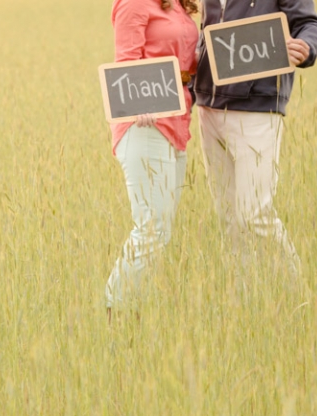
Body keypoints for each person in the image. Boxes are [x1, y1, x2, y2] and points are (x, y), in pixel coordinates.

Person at [194, 0, 317, 280]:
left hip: (258, 109)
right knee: (228, 215)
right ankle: (243, 295)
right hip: (208, 109)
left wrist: (306, 47)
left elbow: (309, 25)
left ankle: (297, 291)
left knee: (254, 213)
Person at [105, 0, 200, 321]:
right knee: (151, 227)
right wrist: (137, 103)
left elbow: (187, 62)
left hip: (177, 123)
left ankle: (134, 309)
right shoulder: (134, 2)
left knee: (161, 230)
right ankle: (115, 313)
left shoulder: (177, 4)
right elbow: (126, 63)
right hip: (144, 125)